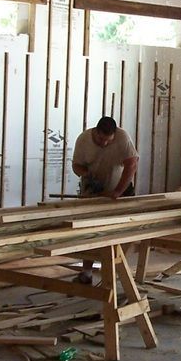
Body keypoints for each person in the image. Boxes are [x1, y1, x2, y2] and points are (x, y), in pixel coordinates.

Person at [70, 116, 139, 283]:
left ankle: (113, 273)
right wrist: (87, 175)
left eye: (109, 140)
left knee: (119, 233)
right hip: (93, 192)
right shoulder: (84, 140)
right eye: (101, 139)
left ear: (114, 134)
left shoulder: (123, 138)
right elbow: (76, 166)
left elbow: (132, 165)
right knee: (89, 233)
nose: (104, 143)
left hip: (119, 191)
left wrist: (117, 191)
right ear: (96, 131)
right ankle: (86, 273)